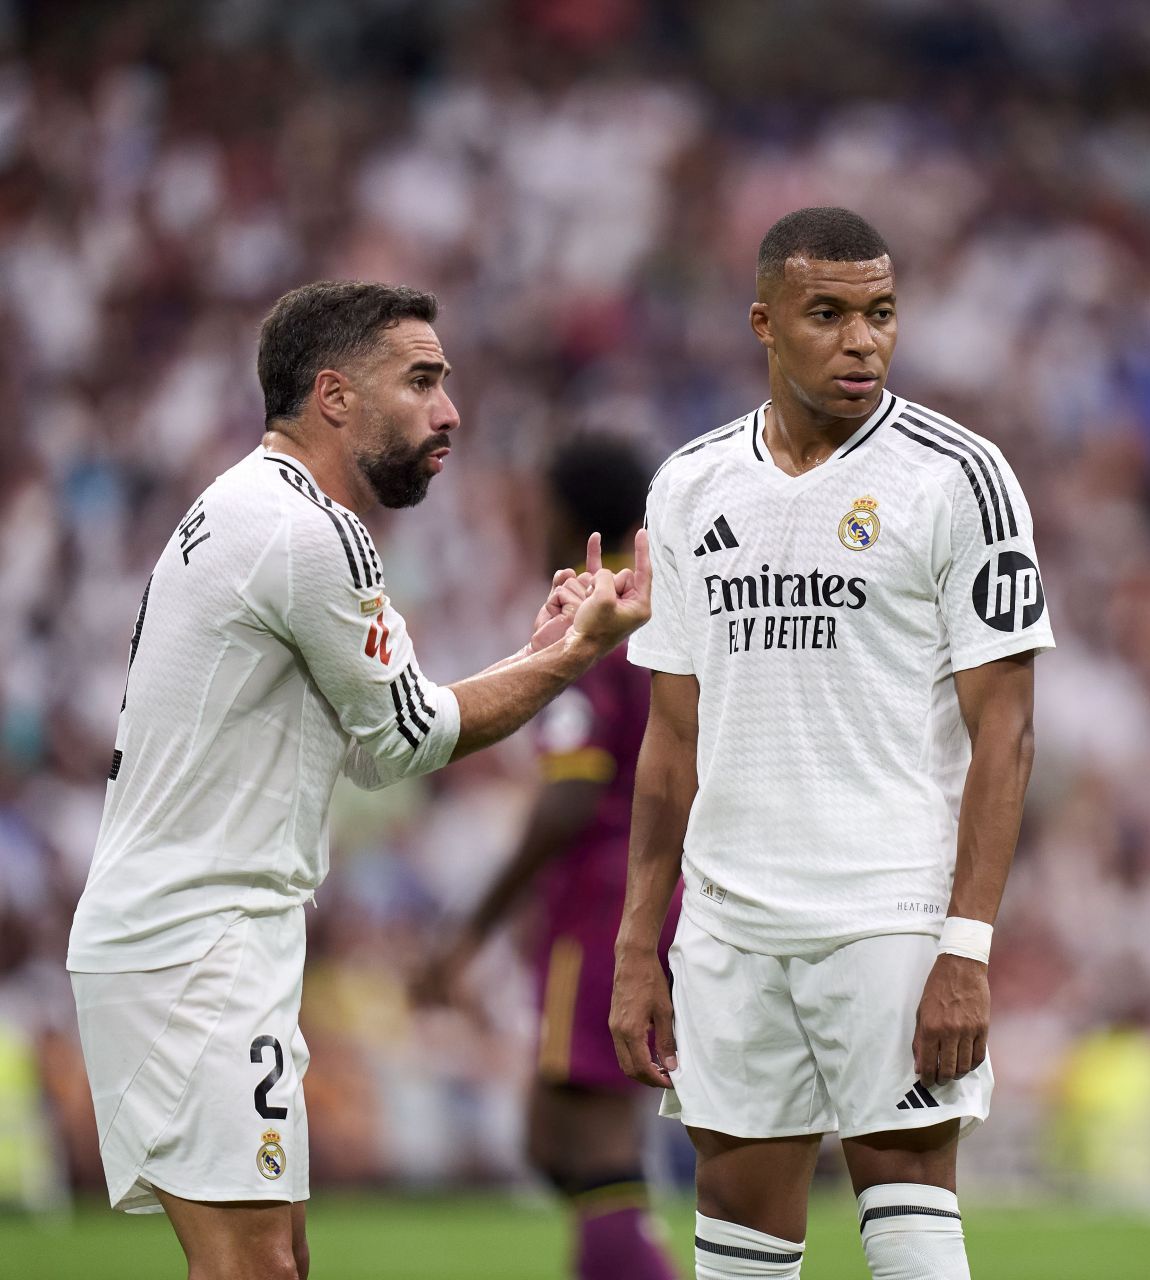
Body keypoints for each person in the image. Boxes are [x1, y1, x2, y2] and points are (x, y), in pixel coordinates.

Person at [65, 281, 651, 1280]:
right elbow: (417, 733)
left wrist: (543, 648)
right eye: (421, 381)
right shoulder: (308, 532)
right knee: (254, 1267)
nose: (449, 411)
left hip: (205, 932)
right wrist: (566, 657)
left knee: (278, 1258)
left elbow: (382, 746)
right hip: (194, 940)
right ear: (335, 395)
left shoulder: (245, 505)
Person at [608, 207, 1053, 1280]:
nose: (863, 340)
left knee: (906, 1219)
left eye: (882, 312)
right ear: (765, 322)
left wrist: (969, 945)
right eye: (830, 314)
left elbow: (1009, 728)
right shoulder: (689, 485)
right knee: (740, 1236)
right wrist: (639, 939)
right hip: (730, 923)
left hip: (887, 914)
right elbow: (671, 739)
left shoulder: (959, 476)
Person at [416, 436, 680, 1280]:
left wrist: (469, 933)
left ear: (564, 512)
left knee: (590, 1132)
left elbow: (570, 795)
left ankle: (638, 1257)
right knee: (549, 1137)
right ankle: (632, 1247)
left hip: (603, 906)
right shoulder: (652, 603)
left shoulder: (592, 617)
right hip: (638, 893)